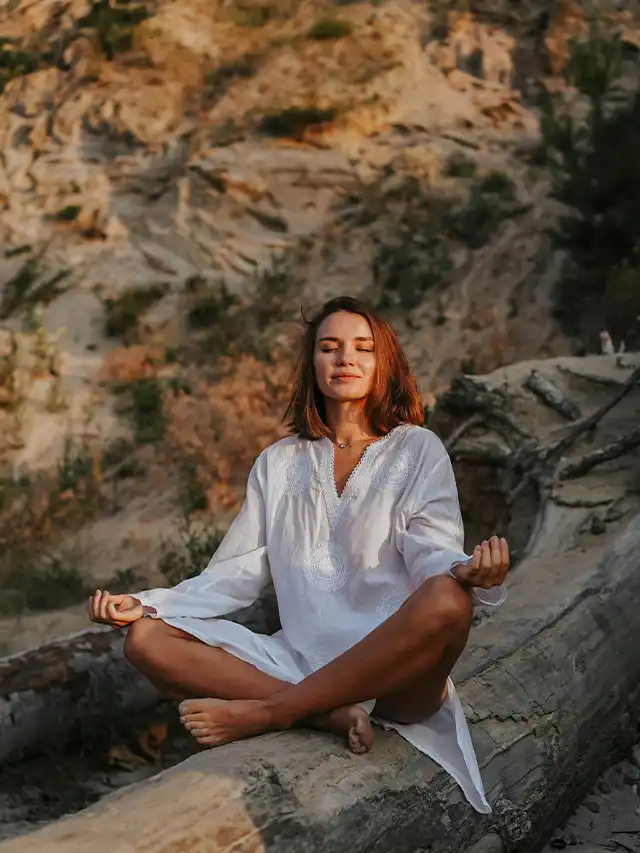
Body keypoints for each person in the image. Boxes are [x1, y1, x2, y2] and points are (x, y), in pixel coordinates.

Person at [88, 295, 508, 813]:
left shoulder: (417, 449)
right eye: (329, 348)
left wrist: (464, 570)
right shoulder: (278, 462)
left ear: (385, 364)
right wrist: (147, 603)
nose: (345, 359)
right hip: (298, 662)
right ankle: (325, 712)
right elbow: (237, 572)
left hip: (396, 674)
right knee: (146, 641)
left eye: (362, 348)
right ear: (313, 364)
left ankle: (271, 713)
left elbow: (431, 546)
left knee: (450, 598)